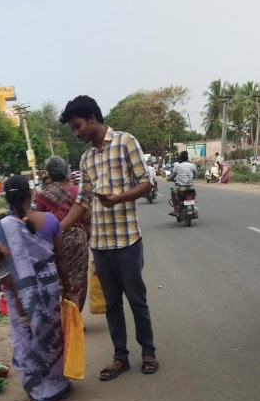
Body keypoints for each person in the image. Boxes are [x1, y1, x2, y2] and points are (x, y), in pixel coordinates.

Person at [59, 95, 159, 380]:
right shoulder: (86, 158)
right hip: (101, 245)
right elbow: (82, 202)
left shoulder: (126, 142)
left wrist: (118, 199)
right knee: (112, 304)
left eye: (78, 126)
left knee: (137, 300)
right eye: (73, 129)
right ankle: (120, 357)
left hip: (127, 241)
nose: (77, 133)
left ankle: (148, 352)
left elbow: (146, 182)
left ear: (92, 118)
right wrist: (55, 229)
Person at [0, 175, 73, 401]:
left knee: (27, 341)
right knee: (52, 337)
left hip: (21, 297)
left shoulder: (3, 227)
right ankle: (59, 384)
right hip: (49, 290)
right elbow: (61, 257)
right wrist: (68, 288)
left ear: (7, 198)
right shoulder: (51, 220)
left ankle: (39, 392)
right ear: (30, 194)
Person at [36, 156, 89, 311]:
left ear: (49, 174)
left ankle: (62, 316)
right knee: (79, 279)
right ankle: (75, 316)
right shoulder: (78, 192)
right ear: (67, 170)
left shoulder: (44, 195)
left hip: (56, 241)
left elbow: (40, 222)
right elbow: (87, 218)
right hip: (78, 241)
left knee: (60, 279)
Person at [168, 151, 197, 216]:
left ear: (180, 158)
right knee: (193, 193)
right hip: (190, 186)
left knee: (173, 192)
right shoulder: (193, 165)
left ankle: (175, 210)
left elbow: (173, 175)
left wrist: (169, 179)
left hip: (181, 187)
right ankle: (193, 208)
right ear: (187, 158)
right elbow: (195, 174)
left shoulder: (177, 166)